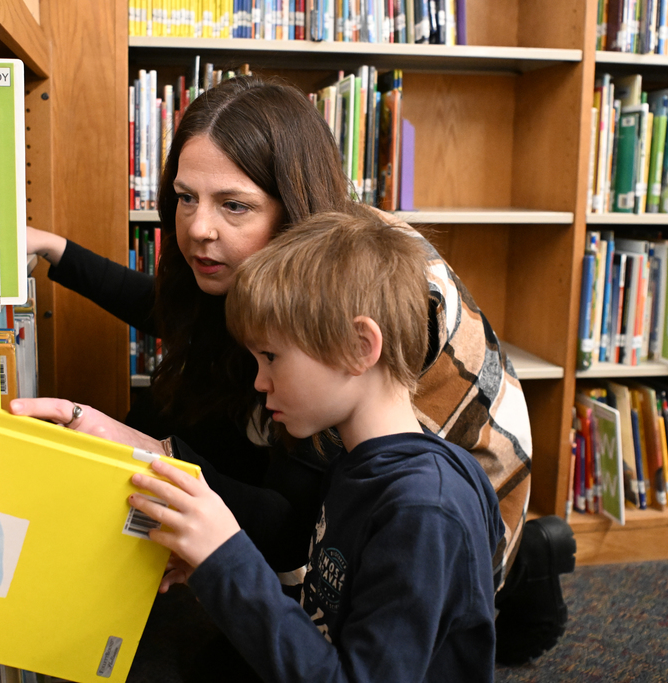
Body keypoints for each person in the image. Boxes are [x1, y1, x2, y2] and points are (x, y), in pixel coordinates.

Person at [12, 75, 574, 665]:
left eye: (234, 204)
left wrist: (171, 477)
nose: (199, 227)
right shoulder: (291, 272)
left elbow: (301, 521)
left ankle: (521, 570)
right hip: (367, 494)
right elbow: (178, 315)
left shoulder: (356, 295)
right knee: (175, 413)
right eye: (184, 197)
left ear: (292, 203)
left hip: (450, 517)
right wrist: (56, 249)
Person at [128, 207, 505, 682]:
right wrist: (215, 569)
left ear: (358, 346)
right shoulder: (360, 462)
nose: (260, 382)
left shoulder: (425, 510)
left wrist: (227, 557)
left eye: (270, 357)